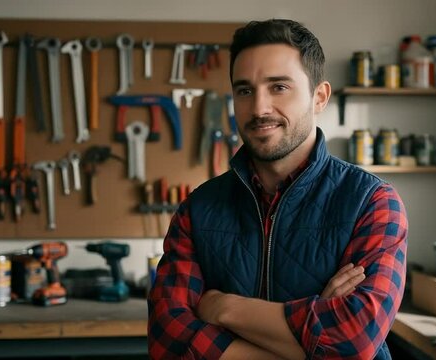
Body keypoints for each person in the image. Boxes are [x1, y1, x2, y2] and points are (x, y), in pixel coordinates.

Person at [148, 19, 408, 359]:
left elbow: (352, 344)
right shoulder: (197, 210)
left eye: (279, 87)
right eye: (244, 90)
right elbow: (167, 343)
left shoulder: (371, 203)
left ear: (319, 97)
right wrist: (312, 336)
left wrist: (224, 309)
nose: (258, 108)